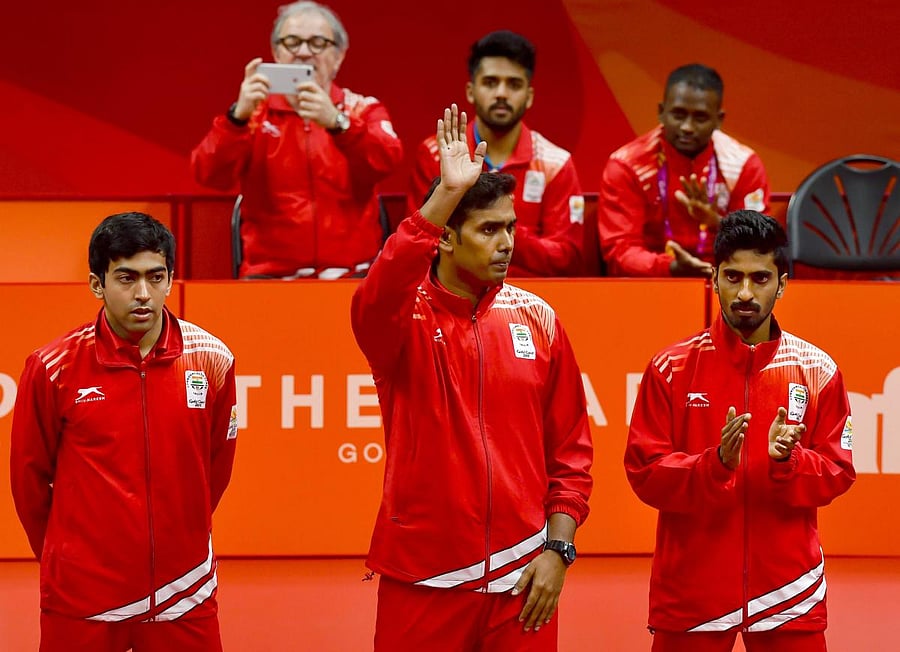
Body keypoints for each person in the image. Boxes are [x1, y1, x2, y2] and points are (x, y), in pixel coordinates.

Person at [352, 104, 593, 651]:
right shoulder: (400, 320)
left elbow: (571, 455)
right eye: (488, 229)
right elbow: (376, 293)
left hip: (524, 578)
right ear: (444, 238)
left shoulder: (540, 319)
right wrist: (440, 200)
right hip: (424, 578)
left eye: (509, 227)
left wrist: (558, 551)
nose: (507, 242)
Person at [624, 210, 855, 651]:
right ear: (714, 278)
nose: (744, 292)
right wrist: (715, 464)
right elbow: (645, 472)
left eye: (760, 278)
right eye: (732, 276)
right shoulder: (671, 368)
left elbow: (838, 471)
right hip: (693, 592)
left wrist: (791, 461)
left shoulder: (817, 370)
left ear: (782, 285)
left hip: (790, 592)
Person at [10, 213, 238, 651]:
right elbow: (29, 481)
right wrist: (68, 562)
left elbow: (215, 467)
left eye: (156, 277)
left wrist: (180, 535)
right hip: (83, 597)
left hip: (184, 590)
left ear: (171, 279)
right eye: (126, 278)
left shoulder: (213, 359)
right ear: (98, 284)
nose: (143, 294)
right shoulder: (53, 367)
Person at [191, 1, 403, 279]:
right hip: (269, 279)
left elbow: (387, 160)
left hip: (353, 277)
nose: (304, 52)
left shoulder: (362, 109)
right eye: (292, 42)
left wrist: (338, 123)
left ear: (338, 56)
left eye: (317, 42)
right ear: (276, 52)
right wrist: (236, 119)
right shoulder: (251, 114)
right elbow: (208, 174)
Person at [408, 30, 585, 277]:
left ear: (529, 96)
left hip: (531, 300)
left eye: (514, 84)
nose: (501, 93)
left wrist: (496, 226)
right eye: (490, 82)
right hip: (451, 298)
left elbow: (565, 257)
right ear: (471, 91)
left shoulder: (556, 164)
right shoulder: (437, 154)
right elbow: (418, 243)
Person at [598, 64, 770, 277]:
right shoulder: (627, 166)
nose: (687, 127)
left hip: (726, 284)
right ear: (661, 112)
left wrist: (719, 223)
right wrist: (670, 267)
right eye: (678, 115)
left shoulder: (743, 165)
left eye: (700, 117)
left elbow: (762, 247)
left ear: (719, 119)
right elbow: (620, 250)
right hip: (651, 284)